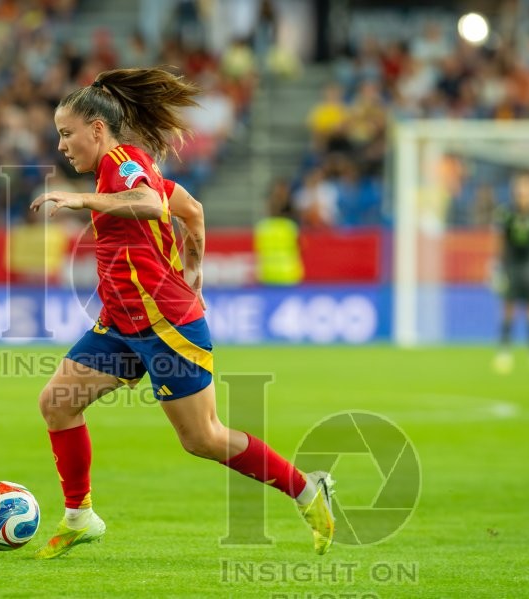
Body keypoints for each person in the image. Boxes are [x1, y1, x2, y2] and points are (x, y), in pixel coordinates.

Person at [29, 68, 335, 559]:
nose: (62, 145)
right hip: (122, 323)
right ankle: (80, 516)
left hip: (166, 326)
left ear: (98, 130)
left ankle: (306, 488)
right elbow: (189, 208)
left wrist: (79, 199)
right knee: (58, 403)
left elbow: (151, 204)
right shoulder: (129, 166)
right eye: (58, 135)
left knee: (202, 438)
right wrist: (194, 269)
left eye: (67, 133)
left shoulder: (122, 164)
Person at [493, 174, 529, 373]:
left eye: (527, 192)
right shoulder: (506, 214)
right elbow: (499, 241)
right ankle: (504, 352)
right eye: (520, 192)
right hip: (511, 265)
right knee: (508, 308)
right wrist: (496, 267)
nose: (523, 196)